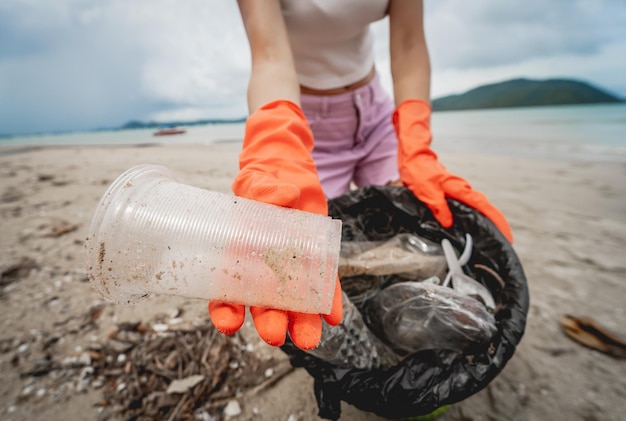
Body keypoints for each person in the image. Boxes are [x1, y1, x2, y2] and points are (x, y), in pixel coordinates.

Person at [209, 0, 514, 352]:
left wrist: (415, 145)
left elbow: (409, 43)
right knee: (308, 256)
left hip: (376, 113)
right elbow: (269, 55)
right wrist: (277, 142)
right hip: (301, 119)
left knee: (411, 216)